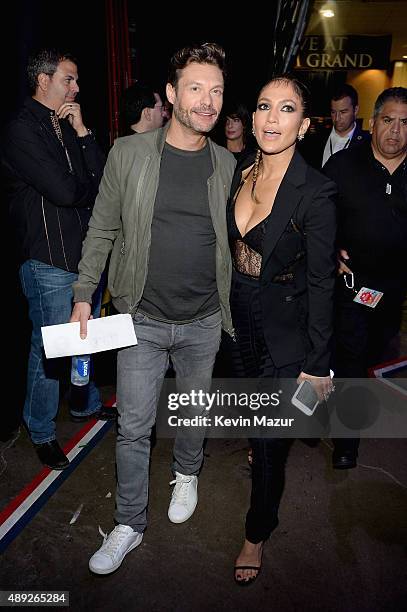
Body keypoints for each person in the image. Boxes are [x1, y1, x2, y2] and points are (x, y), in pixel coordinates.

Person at [70, 42, 235, 575]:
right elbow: (103, 227)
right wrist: (83, 294)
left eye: (216, 91)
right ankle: (129, 523)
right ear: (171, 94)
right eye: (195, 89)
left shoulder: (228, 163)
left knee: (193, 411)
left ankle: (187, 472)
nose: (207, 102)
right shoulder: (129, 153)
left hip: (206, 319)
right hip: (142, 316)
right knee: (134, 426)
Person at [228, 75, 337, 585]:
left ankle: (256, 531)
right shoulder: (238, 171)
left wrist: (317, 366)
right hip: (238, 321)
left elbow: (321, 283)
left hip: (284, 329)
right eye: (264, 107)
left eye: (286, 108)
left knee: (271, 443)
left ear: (305, 123)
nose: (273, 118)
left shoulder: (315, 192)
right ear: (251, 119)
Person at [1, 49, 106, 470]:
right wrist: (84, 187)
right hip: (48, 258)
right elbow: (65, 192)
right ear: (43, 80)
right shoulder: (20, 129)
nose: (77, 88)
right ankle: (41, 430)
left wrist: (82, 131)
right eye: (69, 79)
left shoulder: (63, 124)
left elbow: (99, 177)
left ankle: (86, 405)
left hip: (84, 256)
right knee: (50, 350)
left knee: (86, 339)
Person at [324, 87, 407, 469]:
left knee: (377, 350)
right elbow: (316, 220)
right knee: (350, 359)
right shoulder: (343, 166)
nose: (396, 131)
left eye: (406, 123)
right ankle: (346, 442)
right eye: (389, 120)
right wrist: (329, 250)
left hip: (395, 292)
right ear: (373, 122)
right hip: (352, 287)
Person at [301, 83, 369, 169]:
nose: (337, 118)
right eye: (333, 112)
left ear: (355, 110)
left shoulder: (366, 143)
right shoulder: (316, 138)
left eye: (343, 112)